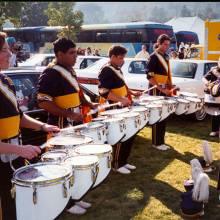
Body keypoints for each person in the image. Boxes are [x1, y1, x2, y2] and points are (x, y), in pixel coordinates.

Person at [0, 32, 60, 220]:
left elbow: (19, 117)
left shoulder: (6, 81)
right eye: (4, 50)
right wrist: (19, 149)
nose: (9, 54)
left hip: (14, 156)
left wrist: (43, 127)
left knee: (16, 204)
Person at [37, 37, 98, 215]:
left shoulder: (69, 70)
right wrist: (69, 114)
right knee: (62, 164)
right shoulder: (50, 73)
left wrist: (89, 103)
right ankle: (66, 202)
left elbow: (77, 92)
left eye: (75, 52)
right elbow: (43, 102)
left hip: (75, 121)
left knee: (74, 160)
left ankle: (75, 196)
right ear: (59, 54)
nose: (76, 56)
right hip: (61, 124)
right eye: (71, 53)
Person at [98, 45, 142, 174]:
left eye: (123, 58)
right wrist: (121, 100)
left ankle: (123, 160)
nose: (122, 60)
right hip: (112, 107)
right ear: (112, 57)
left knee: (129, 132)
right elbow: (103, 91)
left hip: (121, 106)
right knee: (120, 135)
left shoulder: (116, 68)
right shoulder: (106, 70)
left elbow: (122, 84)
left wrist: (132, 93)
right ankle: (116, 164)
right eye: (120, 58)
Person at [146, 34, 177, 151]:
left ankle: (161, 141)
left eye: (168, 45)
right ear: (158, 43)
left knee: (164, 115)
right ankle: (156, 142)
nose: (167, 47)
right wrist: (161, 88)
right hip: (155, 89)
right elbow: (149, 77)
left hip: (164, 88)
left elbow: (166, 74)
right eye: (165, 44)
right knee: (157, 115)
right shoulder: (153, 57)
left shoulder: (165, 56)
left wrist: (169, 85)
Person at [202, 58, 220, 137]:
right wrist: (207, 84)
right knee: (215, 113)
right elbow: (204, 78)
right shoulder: (214, 70)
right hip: (215, 96)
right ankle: (214, 130)